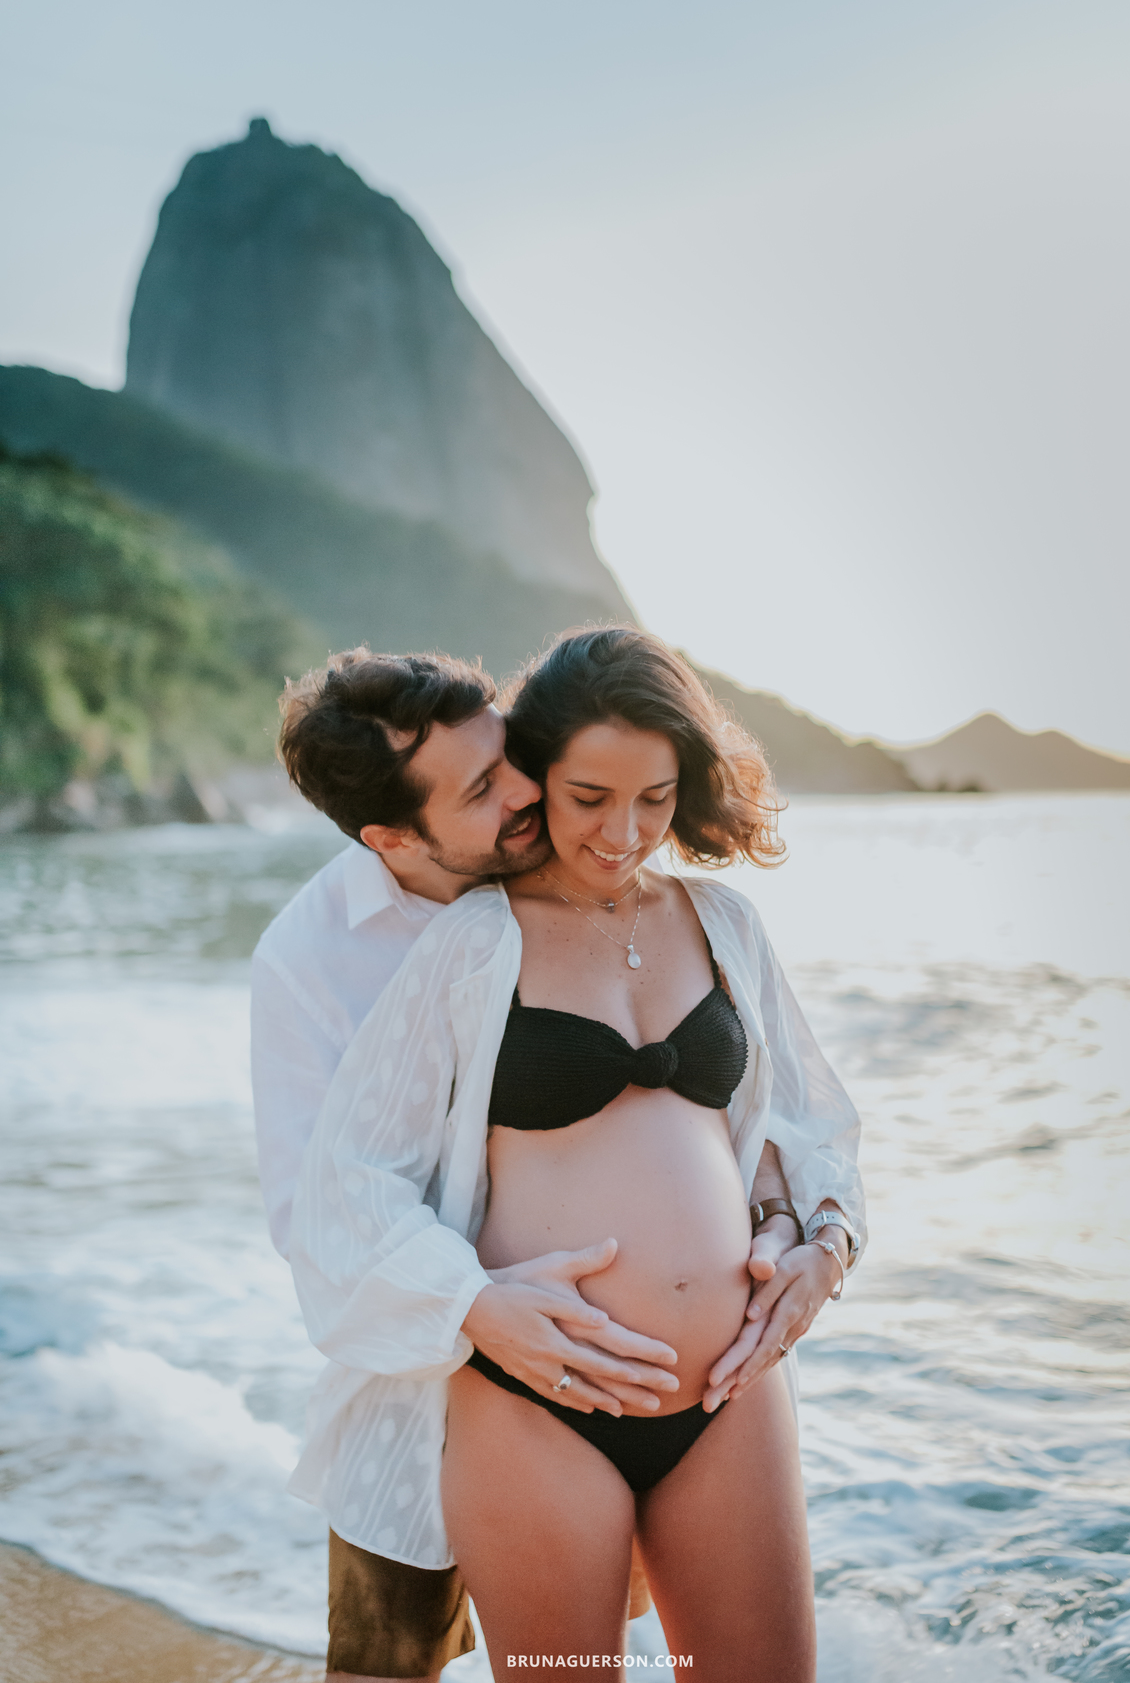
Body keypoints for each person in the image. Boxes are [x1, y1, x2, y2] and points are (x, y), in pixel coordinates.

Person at [288, 628, 866, 1682]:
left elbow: (808, 1122)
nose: (624, 830)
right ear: (537, 773)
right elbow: (346, 1180)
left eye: (655, 796)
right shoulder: (472, 942)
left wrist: (822, 1244)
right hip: (539, 1404)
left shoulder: (724, 922)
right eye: (590, 794)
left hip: (728, 1393)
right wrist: (473, 1303)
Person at [252, 647, 681, 1683]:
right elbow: (315, 1215)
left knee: (579, 1658)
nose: (527, 790)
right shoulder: (309, 959)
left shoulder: (579, 880)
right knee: (385, 1665)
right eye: (484, 788)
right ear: (392, 837)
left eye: (510, 755)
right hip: (415, 1385)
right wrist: (476, 1303)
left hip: (598, 1369)